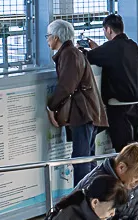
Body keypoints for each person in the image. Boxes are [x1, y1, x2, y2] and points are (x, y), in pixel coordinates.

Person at [45, 19, 107, 186]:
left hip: (83, 113)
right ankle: (92, 192)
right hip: (89, 112)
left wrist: (51, 107)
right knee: (88, 157)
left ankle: (81, 197)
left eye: (48, 36)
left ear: (56, 38)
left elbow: (66, 86)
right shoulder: (72, 53)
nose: (47, 40)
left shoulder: (69, 54)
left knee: (81, 159)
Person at [85, 14, 138, 165]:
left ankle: (130, 183)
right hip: (137, 103)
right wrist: (100, 49)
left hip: (118, 105)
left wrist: (90, 49)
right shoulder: (132, 45)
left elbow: (88, 57)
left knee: (123, 148)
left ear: (108, 30)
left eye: (104, 30)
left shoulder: (110, 48)